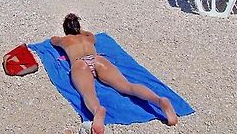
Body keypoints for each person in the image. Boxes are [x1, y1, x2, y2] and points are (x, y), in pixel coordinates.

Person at [50, 14, 178, 134]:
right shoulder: (88, 37)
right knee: (127, 86)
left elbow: (52, 40)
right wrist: (80, 31)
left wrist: (66, 34)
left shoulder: (64, 40)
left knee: (88, 92)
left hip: (80, 64)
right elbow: (90, 34)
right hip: (98, 59)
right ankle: (159, 100)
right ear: (79, 27)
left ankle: (97, 110)